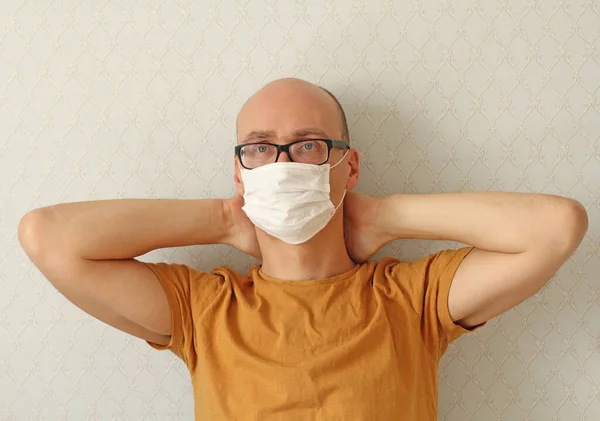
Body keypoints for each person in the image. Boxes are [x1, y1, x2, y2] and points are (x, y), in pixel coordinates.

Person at [18, 78, 588, 420]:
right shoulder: (205, 309)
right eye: (261, 149)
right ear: (240, 174)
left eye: (309, 144)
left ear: (349, 163)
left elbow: (557, 226)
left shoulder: (411, 298)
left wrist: (385, 216)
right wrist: (222, 219)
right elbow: (46, 236)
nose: (284, 163)